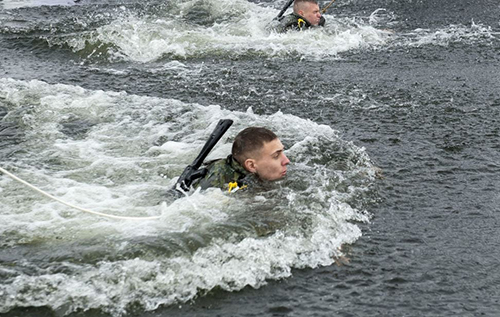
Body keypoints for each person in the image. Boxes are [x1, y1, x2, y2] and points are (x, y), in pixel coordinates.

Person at [193, 127, 290, 192]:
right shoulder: (218, 187)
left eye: (282, 151)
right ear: (251, 165)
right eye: (276, 156)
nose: (286, 161)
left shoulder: (244, 169)